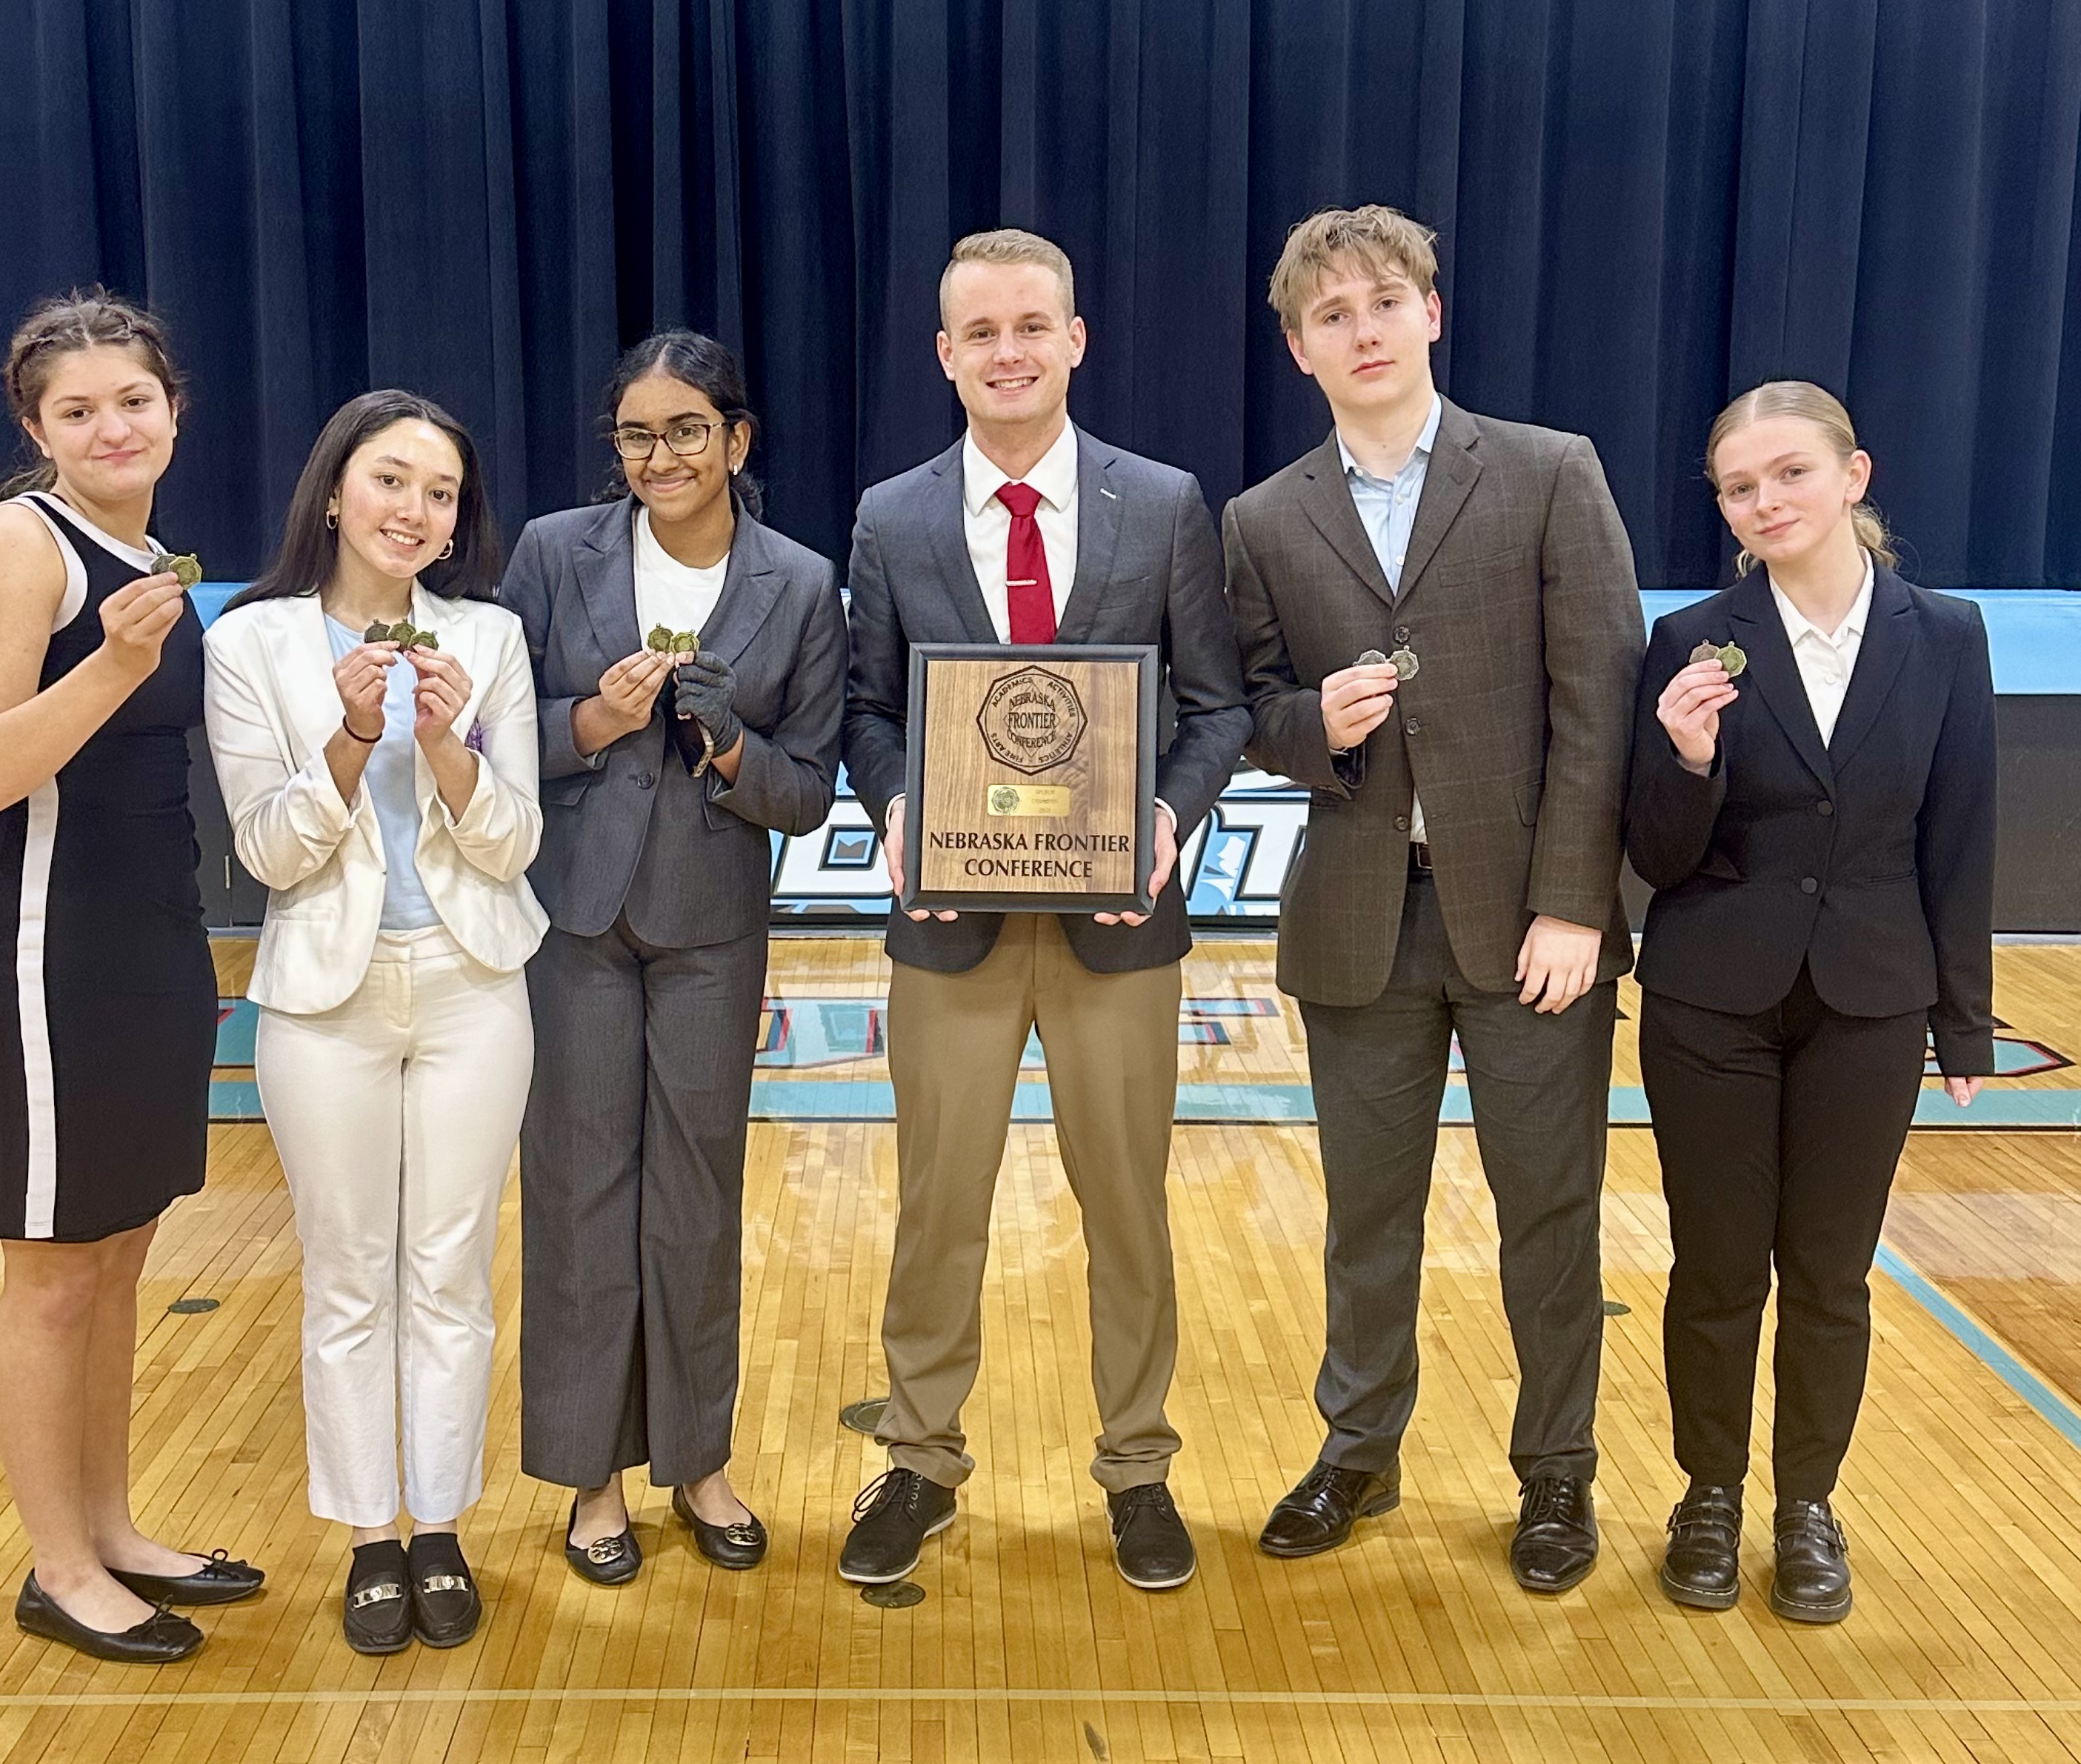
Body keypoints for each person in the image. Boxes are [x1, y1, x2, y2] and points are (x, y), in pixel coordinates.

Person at [1225, 204, 1643, 1593]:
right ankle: (1359, 1448)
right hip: (1361, 915)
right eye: (1332, 315)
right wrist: (1310, 728)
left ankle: (1557, 1471)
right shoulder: (1264, 517)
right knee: (1366, 1213)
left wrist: (1578, 901)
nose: (1363, 329)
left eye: (1384, 302)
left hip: (1530, 919)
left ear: (1431, 315)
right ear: (1300, 348)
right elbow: (1242, 706)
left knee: (1549, 1210)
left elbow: (1600, 702)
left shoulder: (1543, 471)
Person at [839, 229, 1249, 1593]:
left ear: (1078, 339)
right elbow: (871, 707)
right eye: (981, 332)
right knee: (936, 1204)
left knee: (1127, 1204)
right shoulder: (894, 514)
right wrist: (897, 803)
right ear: (944, 354)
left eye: (1033, 326)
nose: (1007, 351)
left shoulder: (1166, 501)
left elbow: (1216, 702)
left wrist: (1168, 817)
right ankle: (917, 1457)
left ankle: (1138, 1465)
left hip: (1116, 922)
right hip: (950, 919)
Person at [1627, 381, 1995, 1624]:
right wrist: (1684, 761)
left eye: (1789, 473)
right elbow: (1656, 854)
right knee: (1717, 1268)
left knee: (1831, 1273)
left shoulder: (1944, 634)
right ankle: (1710, 1497)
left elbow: (1962, 834)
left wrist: (1965, 1019)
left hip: (1871, 999)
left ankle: (1808, 1505)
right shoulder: (1690, 638)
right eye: (1740, 485)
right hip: (1710, 999)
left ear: (1853, 475)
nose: (1765, 500)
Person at [0, 289, 264, 1663]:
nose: (112, 424)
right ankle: (57, 1565)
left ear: (175, 410)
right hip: (37, 950)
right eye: (77, 409)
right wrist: (115, 666)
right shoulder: (16, 548)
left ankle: (115, 1527)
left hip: (143, 940)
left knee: (120, 1256)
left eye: (133, 400)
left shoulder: (139, 552)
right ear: (35, 427)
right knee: (53, 1273)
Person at [203, 390, 546, 1654]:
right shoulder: (253, 644)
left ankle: (443, 1523)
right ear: (336, 493)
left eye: (440, 492)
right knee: (349, 1275)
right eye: (391, 481)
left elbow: (515, 841)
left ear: (458, 524)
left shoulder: (492, 640)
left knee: (450, 1272)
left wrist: (450, 746)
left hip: (472, 986)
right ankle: (368, 1537)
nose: (413, 509)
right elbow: (271, 853)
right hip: (324, 1000)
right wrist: (354, 736)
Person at [501, 331, 846, 1583]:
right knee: (582, 1193)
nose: (662, 455)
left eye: (688, 430)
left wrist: (734, 749)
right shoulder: (552, 551)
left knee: (698, 1200)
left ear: (736, 440)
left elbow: (809, 791)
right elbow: (500, 728)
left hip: (711, 926)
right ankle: (588, 1476)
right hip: (577, 921)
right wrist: (595, 717)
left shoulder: (801, 583)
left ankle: (699, 1459)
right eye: (638, 435)